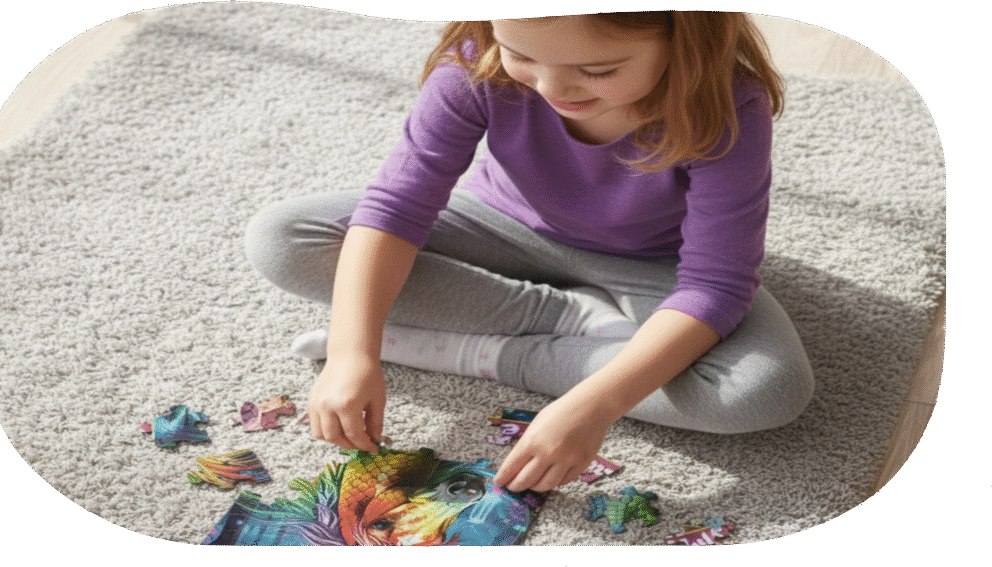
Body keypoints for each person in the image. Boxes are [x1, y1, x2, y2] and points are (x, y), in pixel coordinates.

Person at [244, 11, 814, 494]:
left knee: (763, 392)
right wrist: (351, 352)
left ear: (686, 35)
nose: (553, 89)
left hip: (656, 266)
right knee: (282, 239)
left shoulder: (730, 104)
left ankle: (482, 353)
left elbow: (716, 283)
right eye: (520, 54)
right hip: (498, 224)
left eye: (598, 70)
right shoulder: (477, 61)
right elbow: (394, 209)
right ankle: (565, 318)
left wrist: (593, 406)